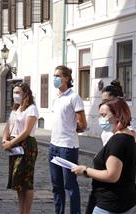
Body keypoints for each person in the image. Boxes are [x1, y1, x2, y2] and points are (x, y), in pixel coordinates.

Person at [72, 98, 136, 214]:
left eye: (104, 115)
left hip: (111, 202)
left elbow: (112, 175)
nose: (101, 119)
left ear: (117, 115)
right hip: (124, 198)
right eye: (99, 115)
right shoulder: (128, 136)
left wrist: (85, 170)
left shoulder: (118, 140)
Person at [49, 65, 87, 214]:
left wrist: (73, 129)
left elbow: (82, 124)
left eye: (58, 76)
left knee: (70, 185)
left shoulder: (74, 97)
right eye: (54, 76)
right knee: (56, 185)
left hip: (67, 147)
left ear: (66, 78)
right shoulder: (56, 97)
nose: (55, 79)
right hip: (53, 146)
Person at [2, 82, 39, 214]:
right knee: (18, 180)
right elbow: (8, 125)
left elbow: (26, 131)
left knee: (26, 180)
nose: (15, 95)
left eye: (18, 92)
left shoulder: (31, 109)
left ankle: (26, 211)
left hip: (26, 144)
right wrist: (5, 139)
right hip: (14, 144)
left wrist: (11, 144)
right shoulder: (16, 109)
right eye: (14, 92)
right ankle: (20, 210)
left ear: (25, 94)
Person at [100, 80, 124, 146]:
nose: (103, 104)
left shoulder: (125, 121)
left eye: (107, 101)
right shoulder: (108, 119)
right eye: (102, 101)